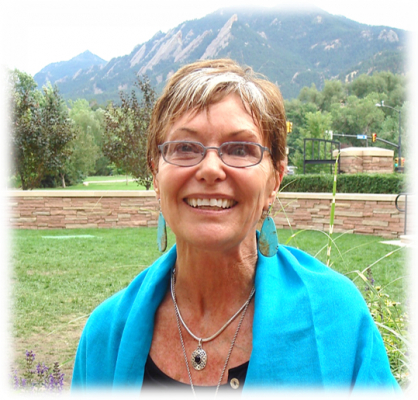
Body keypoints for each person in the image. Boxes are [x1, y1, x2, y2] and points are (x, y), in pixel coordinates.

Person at [71, 59, 399, 395]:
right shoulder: (104, 338)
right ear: (156, 175)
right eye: (185, 148)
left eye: (240, 149)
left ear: (275, 179)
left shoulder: (337, 320)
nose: (210, 169)